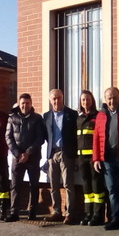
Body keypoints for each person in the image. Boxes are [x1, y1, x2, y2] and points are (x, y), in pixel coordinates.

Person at [93, 87, 119, 233]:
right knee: (112, 190)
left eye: (114, 97)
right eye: (109, 98)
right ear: (105, 100)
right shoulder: (101, 115)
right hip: (107, 159)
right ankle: (116, 219)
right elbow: (96, 138)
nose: (112, 101)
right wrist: (96, 158)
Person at [5, 93, 46, 221]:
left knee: (34, 186)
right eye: (23, 103)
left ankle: (32, 213)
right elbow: (8, 137)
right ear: (19, 103)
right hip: (17, 158)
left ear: (31, 103)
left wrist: (27, 153)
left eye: (27, 103)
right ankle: (14, 213)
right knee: (15, 185)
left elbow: (41, 138)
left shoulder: (37, 118)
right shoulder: (12, 118)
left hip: (33, 157)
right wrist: (18, 154)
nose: (25, 105)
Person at [43, 89, 78, 224]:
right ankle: (56, 211)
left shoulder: (72, 114)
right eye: (54, 99)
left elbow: (75, 135)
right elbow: (46, 135)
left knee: (68, 184)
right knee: (54, 185)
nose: (56, 101)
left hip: (66, 153)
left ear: (63, 98)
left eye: (58, 98)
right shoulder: (46, 116)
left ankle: (70, 213)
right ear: (50, 101)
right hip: (52, 153)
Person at [77, 90, 107, 226]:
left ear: (92, 100)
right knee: (87, 188)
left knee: (97, 187)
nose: (85, 102)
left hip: (93, 159)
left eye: (88, 99)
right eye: (83, 100)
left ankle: (98, 215)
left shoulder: (98, 116)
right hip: (82, 158)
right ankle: (88, 214)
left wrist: (98, 157)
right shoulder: (79, 118)